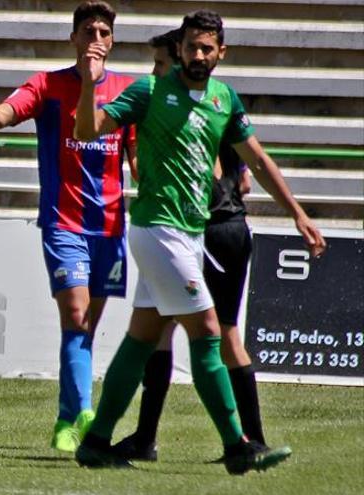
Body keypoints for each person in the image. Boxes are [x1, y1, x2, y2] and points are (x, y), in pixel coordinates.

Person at [72, 10, 326, 474]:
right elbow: (85, 131)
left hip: (189, 234)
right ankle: (238, 446)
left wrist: (298, 213)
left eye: (208, 48)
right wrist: (90, 84)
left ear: (221, 53)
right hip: (158, 229)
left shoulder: (223, 99)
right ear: (180, 49)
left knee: (141, 340)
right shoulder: (149, 92)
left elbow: (259, 160)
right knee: (208, 332)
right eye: (192, 47)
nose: (199, 55)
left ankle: (96, 441)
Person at [0, 0, 135, 453]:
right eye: (88, 31)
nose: (96, 39)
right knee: (74, 316)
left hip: (110, 226)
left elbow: (137, 158)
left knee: (86, 328)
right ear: (73, 39)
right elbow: (1, 118)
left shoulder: (130, 91)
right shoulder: (48, 86)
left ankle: (67, 419)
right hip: (63, 223)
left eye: (103, 32)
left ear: (112, 41)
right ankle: (85, 414)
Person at [114, 29, 267, 462]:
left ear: (179, 61)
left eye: (161, 64)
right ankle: (144, 438)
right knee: (156, 331)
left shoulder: (193, 108)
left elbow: (222, 169)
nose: (155, 74)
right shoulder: (206, 101)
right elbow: (246, 176)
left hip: (211, 227)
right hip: (199, 228)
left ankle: (248, 440)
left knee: (221, 335)